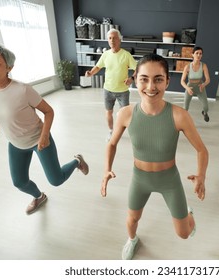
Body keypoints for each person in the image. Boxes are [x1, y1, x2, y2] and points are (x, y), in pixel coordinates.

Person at [101, 54, 209, 260]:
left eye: (158, 79)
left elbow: (202, 150)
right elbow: (112, 143)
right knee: (132, 219)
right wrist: (106, 169)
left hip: (169, 179)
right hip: (140, 178)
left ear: (167, 81)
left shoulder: (179, 115)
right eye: (144, 79)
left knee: (184, 233)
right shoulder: (125, 113)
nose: (151, 86)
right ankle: (132, 240)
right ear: (135, 79)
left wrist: (201, 175)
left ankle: (189, 214)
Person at [0, 42, 89, 215]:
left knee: (56, 180)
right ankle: (39, 196)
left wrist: (44, 137)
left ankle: (77, 161)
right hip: (15, 144)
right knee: (19, 182)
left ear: (9, 67)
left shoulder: (23, 90)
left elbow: (49, 112)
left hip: (39, 140)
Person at [85, 28, 137, 141]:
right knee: (108, 112)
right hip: (108, 90)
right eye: (110, 38)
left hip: (122, 91)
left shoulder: (126, 55)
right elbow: (98, 66)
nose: (112, 40)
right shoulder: (105, 54)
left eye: (114, 38)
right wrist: (90, 73)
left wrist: (131, 78)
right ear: (108, 40)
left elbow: (137, 68)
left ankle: (132, 133)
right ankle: (111, 131)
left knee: (126, 114)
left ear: (119, 40)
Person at [180, 46, 211, 122]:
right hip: (190, 87)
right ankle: (183, 120)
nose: (199, 55)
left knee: (206, 107)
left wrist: (203, 85)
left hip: (200, 86)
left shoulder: (204, 65)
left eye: (200, 53)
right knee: (185, 108)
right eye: (197, 53)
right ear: (192, 54)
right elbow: (182, 81)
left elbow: (208, 79)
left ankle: (204, 113)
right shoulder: (187, 67)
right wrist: (187, 88)